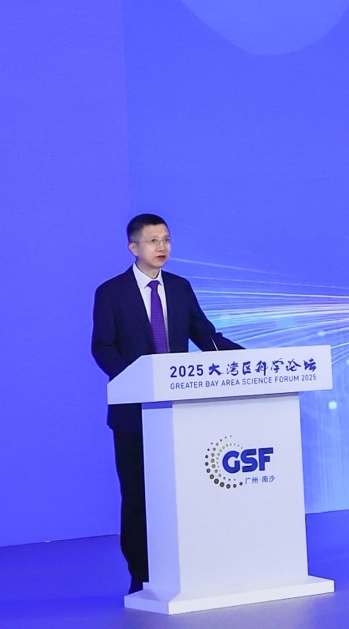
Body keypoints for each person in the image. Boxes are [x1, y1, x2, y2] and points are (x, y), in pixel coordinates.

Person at [91, 213, 245, 595]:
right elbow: (102, 347)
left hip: (181, 412)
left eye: (167, 240)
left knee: (184, 492)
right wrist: (138, 381)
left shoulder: (179, 287)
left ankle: (188, 564)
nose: (162, 247)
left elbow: (206, 336)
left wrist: (247, 360)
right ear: (133, 247)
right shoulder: (110, 292)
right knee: (138, 495)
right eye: (153, 240)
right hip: (134, 414)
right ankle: (141, 573)